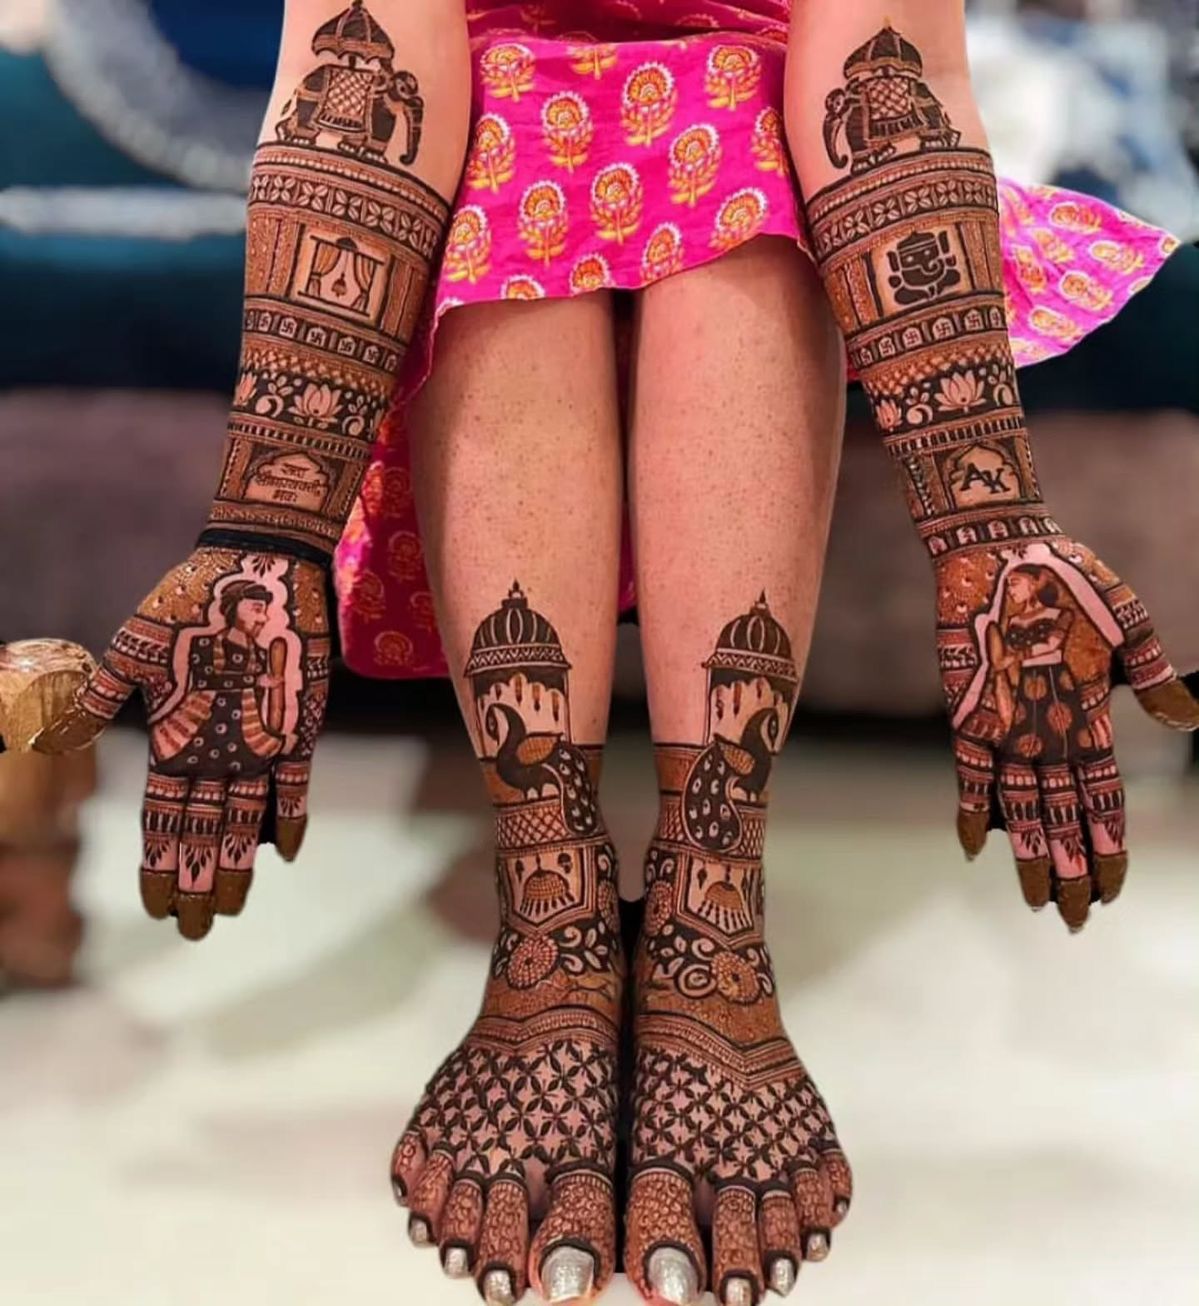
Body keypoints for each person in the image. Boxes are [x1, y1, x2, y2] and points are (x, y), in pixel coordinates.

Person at [37, 3, 1198, 1305]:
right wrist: (267, 528)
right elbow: (365, 63)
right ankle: (556, 923)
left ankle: (713, 910)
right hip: (487, 170)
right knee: (522, 102)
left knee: (733, 95)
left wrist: (989, 524)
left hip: (767, 170)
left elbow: (886, 75)